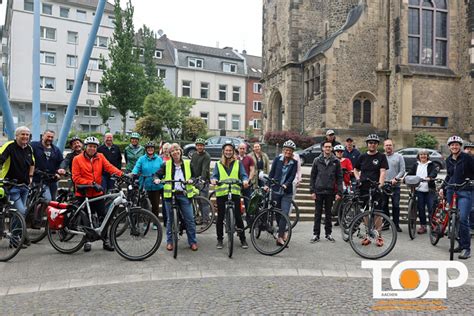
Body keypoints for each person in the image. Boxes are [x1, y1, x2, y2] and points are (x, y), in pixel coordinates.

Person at [72, 136, 124, 252]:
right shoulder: (77, 159)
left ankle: (105, 241)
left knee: (103, 217)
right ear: (85, 147)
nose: (92, 149)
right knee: (86, 220)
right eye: (90, 146)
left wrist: (122, 175)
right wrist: (91, 183)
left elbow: (109, 167)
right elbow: (76, 178)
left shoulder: (100, 157)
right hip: (83, 193)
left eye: (94, 147)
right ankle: (86, 241)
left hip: (97, 193)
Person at [154, 143, 198, 251]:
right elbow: (156, 174)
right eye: (172, 151)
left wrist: (192, 180)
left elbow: (194, 176)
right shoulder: (166, 164)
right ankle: (169, 242)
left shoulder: (188, 163)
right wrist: (156, 179)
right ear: (170, 153)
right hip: (170, 195)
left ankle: (192, 241)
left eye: (176, 150)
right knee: (170, 220)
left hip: (184, 194)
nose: (175, 152)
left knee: (190, 219)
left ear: (180, 151)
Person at [439, 136, 474, 259]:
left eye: (457, 145)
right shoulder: (448, 160)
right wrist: (442, 188)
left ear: (460, 146)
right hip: (451, 190)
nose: (454, 147)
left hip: (465, 191)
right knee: (455, 218)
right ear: (449, 147)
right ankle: (459, 243)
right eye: (452, 145)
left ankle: (466, 248)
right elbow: (449, 176)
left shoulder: (468, 158)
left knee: (463, 219)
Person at [210, 141, 249, 250]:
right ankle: (220, 239)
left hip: (235, 192)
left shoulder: (238, 163)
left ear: (233, 152)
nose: (228, 152)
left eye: (230, 150)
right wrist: (214, 180)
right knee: (220, 217)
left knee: (238, 216)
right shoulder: (218, 164)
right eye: (226, 150)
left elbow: (243, 175)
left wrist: (245, 180)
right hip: (222, 193)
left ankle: (243, 239)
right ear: (223, 151)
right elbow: (214, 176)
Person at [0, 126, 35, 246]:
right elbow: (0, 160)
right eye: (22, 134)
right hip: (11, 185)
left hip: (24, 185)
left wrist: (30, 177)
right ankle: (15, 239)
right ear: (17, 136)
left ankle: (17, 237)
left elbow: (32, 163)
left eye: (27, 134)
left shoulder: (29, 148)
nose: (25, 137)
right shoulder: (9, 146)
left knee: (19, 213)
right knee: (20, 211)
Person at [353, 134, 389, 247]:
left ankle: (378, 237)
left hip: (375, 187)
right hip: (364, 187)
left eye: (374, 143)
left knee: (377, 212)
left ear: (377, 145)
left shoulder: (381, 157)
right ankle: (368, 236)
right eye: (370, 142)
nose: (372, 144)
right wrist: (358, 178)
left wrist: (380, 185)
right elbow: (355, 169)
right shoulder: (362, 157)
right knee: (365, 212)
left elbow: (383, 172)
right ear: (367, 144)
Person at [309, 141, 343, 243]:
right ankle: (316, 234)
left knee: (328, 214)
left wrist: (339, 192)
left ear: (332, 148)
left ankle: (328, 234)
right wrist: (312, 191)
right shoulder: (316, 160)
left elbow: (339, 178)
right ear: (323, 148)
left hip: (330, 192)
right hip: (318, 191)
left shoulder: (336, 161)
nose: (328, 148)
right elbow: (312, 176)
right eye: (326, 147)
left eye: (329, 147)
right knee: (317, 214)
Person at [268, 140, 299, 246]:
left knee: (284, 213)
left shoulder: (294, 162)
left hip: (287, 192)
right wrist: (267, 185)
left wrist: (286, 184)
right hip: (276, 190)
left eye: (290, 151)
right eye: (286, 150)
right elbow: (271, 173)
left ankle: (280, 237)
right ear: (283, 150)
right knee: (277, 213)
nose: (288, 152)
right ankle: (283, 231)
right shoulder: (277, 160)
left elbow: (292, 176)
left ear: (292, 152)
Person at [132, 142, 164, 228]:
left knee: (155, 205)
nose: (150, 149)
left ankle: (155, 223)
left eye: (152, 148)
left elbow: (163, 169)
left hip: (156, 185)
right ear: (146, 149)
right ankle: (146, 222)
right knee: (145, 205)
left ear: (154, 149)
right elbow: (137, 167)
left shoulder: (159, 159)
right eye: (148, 148)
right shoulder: (142, 159)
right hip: (145, 184)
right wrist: (134, 173)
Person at [406, 149, 438, 234]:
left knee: (431, 208)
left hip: (429, 190)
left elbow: (434, 172)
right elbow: (410, 173)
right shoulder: (416, 165)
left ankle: (433, 225)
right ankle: (423, 226)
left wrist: (429, 177)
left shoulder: (432, 164)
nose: (423, 156)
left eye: (425, 154)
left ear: (427, 156)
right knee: (421, 209)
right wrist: (405, 178)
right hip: (419, 190)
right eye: (421, 154)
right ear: (418, 156)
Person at [30, 129, 65, 201]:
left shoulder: (56, 150)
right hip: (38, 179)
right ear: (43, 136)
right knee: (47, 199)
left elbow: (61, 162)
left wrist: (59, 171)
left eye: (52, 137)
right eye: (48, 136)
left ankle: (41, 212)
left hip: (52, 179)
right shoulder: (33, 146)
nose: (50, 139)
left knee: (53, 200)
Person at [382, 139, 405, 232]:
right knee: (384, 205)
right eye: (386, 145)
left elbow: (402, 170)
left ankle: (396, 224)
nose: (388, 147)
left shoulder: (399, 156)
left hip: (395, 186)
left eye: (390, 145)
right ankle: (386, 223)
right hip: (384, 185)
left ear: (393, 146)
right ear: (384, 147)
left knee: (396, 205)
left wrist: (396, 179)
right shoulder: (381, 157)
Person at [190, 138, 211, 223]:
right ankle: (200, 217)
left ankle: (206, 219)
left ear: (204, 146)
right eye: (198, 145)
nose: (200, 147)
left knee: (204, 201)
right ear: (196, 146)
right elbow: (191, 166)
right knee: (197, 200)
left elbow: (205, 169)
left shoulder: (206, 156)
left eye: (201, 145)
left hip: (203, 180)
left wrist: (202, 179)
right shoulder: (194, 155)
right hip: (195, 179)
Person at [237, 143, 255, 212]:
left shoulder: (249, 159)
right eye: (240, 148)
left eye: (243, 149)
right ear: (238, 149)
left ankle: (249, 218)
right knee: (236, 202)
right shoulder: (235, 158)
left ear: (246, 150)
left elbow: (252, 170)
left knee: (248, 202)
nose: (242, 150)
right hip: (236, 183)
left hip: (246, 183)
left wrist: (248, 180)